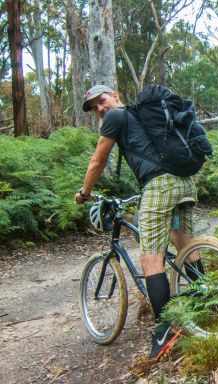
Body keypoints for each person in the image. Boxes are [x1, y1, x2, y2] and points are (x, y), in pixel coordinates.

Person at [75, 84, 201, 359]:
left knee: (150, 259)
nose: (99, 108)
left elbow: (97, 161)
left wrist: (85, 193)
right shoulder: (140, 117)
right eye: (94, 107)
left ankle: (166, 330)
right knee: (183, 242)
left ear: (115, 94)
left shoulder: (115, 117)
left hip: (160, 185)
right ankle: (208, 298)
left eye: (101, 100)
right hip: (184, 183)